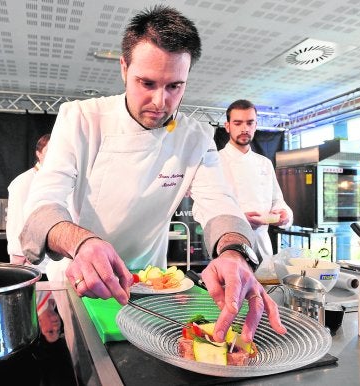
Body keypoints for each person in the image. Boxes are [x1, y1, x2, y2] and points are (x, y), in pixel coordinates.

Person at [21, 5, 286, 345]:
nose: (161, 102)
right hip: (79, 278)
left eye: (175, 86)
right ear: (123, 68)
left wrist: (233, 253)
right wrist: (83, 242)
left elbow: (219, 203)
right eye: (147, 83)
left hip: (151, 286)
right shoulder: (82, 119)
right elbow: (44, 204)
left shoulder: (195, 136)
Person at [219, 99, 293, 265]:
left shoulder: (264, 163)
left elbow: (277, 200)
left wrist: (283, 214)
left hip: (263, 245)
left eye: (250, 123)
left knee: (267, 288)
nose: (244, 128)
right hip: (230, 245)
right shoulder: (215, 161)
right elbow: (207, 208)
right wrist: (240, 219)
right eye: (238, 123)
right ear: (227, 126)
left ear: (255, 125)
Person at [7, 133, 51, 269]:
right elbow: (16, 222)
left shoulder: (59, 180)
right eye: (49, 151)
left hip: (56, 260)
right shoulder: (24, 182)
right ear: (39, 154)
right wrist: (18, 255)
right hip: (32, 261)